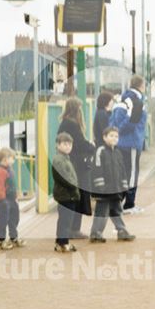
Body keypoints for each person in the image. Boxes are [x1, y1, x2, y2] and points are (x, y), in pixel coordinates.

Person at [89, 126, 136, 243]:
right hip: (104, 190)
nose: (114, 138)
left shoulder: (118, 153)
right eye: (111, 136)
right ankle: (96, 233)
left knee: (117, 210)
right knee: (102, 212)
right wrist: (100, 187)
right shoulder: (100, 151)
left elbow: (122, 171)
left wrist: (124, 187)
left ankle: (122, 231)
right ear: (104, 137)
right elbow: (97, 170)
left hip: (116, 189)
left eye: (116, 136)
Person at [56, 97, 95, 238]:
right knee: (78, 195)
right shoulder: (73, 125)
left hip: (72, 163)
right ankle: (74, 229)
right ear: (76, 110)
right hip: (77, 166)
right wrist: (91, 146)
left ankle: (69, 229)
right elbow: (80, 143)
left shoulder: (64, 123)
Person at [109, 75, 148, 213]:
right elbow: (133, 121)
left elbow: (113, 120)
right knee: (132, 173)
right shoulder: (137, 101)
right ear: (141, 86)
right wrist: (123, 130)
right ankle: (129, 204)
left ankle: (118, 202)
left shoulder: (120, 98)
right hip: (131, 141)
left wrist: (115, 134)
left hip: (119, 143)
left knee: (122, 173)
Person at [0, 147, 26, 251]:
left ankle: (13, 237)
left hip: (11, 199)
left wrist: (15, 197)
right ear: (5, 159)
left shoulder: (8, 169)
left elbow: (12, 184)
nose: (13, 160)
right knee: (3, 219)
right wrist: (2, 200)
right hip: (4, 200)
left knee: (14, 218)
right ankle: (0, 241)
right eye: (12, 158)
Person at [52, 132, 80, 253]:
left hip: (66, 194)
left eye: (69, 144)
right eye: (64, 144)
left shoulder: (64, 158)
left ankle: (60, 242)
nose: (68, 147)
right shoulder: (59, 160)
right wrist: (74, 190)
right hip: (66, 195)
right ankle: (64, 243)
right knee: (66, 220)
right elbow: (65, 178)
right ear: (58, 145)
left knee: (63, 219)